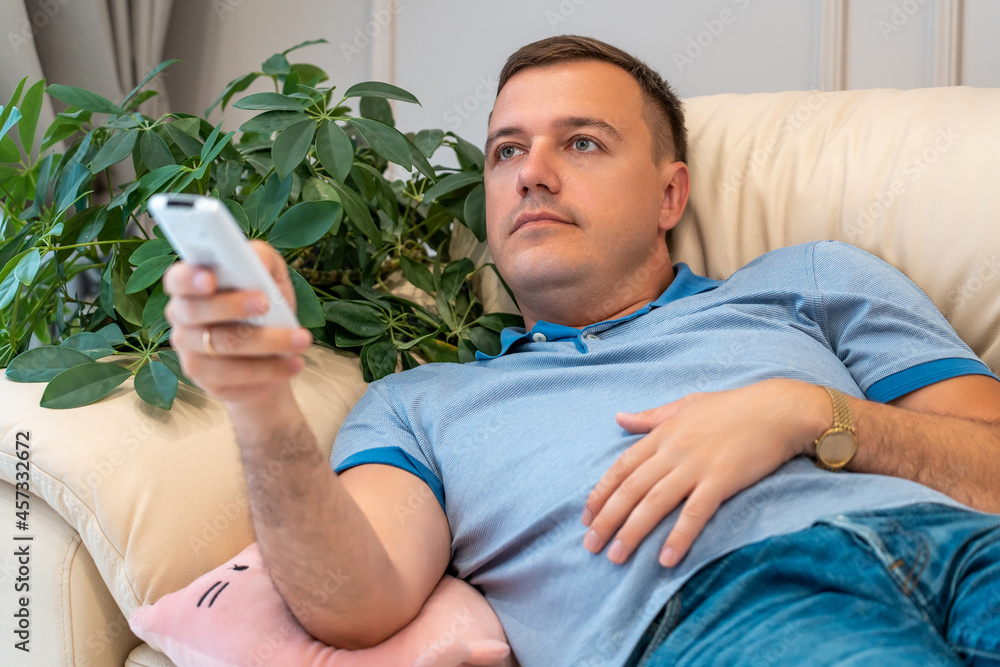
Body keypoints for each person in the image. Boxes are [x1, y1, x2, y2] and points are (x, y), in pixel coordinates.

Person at [164, 35, 1000, 666]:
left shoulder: (811, 277)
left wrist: (809, 413)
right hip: (730, 606)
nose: (533, 173)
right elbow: (358, 603)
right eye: (507, 150)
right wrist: (260, 401)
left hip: (969, 547)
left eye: (583, 142)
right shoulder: (420, 404)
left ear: (671, 192)